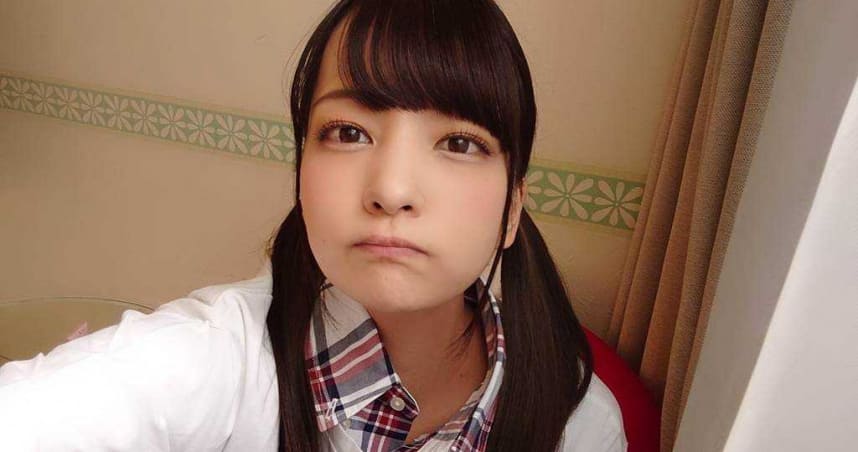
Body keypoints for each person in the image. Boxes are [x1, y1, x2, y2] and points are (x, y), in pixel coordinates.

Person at [0, 0, 627, 451]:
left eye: (459, 143)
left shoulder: (582, 425)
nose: (391, 189)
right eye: (348, 132)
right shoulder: (217, 359)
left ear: (513, 208)